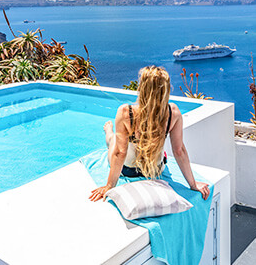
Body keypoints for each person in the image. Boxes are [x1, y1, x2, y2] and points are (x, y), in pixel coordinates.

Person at [89, 65, 210, 202]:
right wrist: (193, 184)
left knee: (113, 142)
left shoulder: (125, 112)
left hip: (128, 170)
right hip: (156, 170)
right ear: (167, 89)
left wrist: (109, 185)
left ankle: (108, 132)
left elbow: (120, 153)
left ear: (141, 88)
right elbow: (179, 150)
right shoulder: (173, 112)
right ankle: (110, 133)